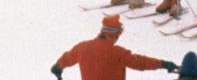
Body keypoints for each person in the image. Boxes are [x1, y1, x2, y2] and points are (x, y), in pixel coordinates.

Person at [50, 15, 179, 80]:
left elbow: (67, 58)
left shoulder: (82, 47)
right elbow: (140, 63)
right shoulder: (118, 53)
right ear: (113, 36)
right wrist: (163, 64)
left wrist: (57, 67)